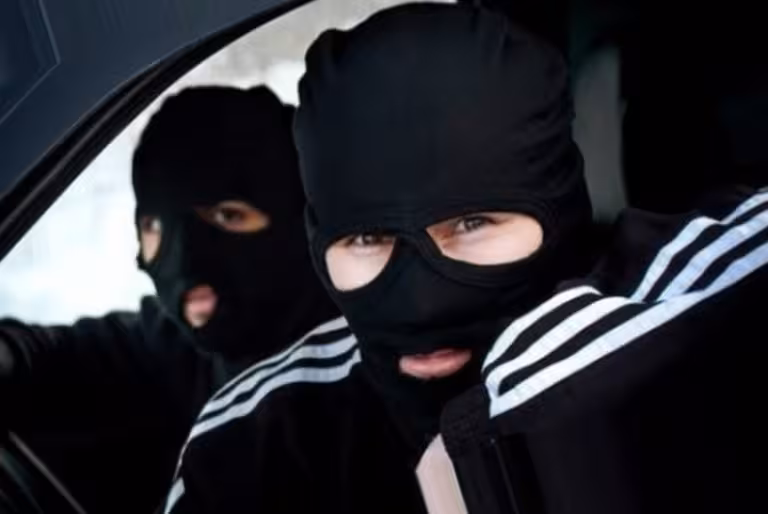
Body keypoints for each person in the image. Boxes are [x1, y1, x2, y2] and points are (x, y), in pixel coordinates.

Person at [164, 5, 768, 514]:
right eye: (368, 238)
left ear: (560, 208)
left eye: (472, 224)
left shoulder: (696, 308)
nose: (420, 300)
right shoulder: (253, 450)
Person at [0, 86, 339, 514]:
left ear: (297, 221)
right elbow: (70, 353)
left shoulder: (353, 379)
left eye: (226, 216)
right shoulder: (185, 348)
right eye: (157, 227)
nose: (186, 263)